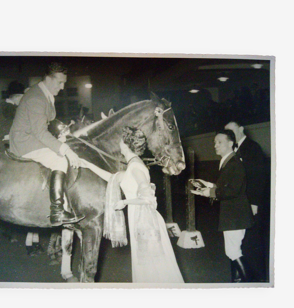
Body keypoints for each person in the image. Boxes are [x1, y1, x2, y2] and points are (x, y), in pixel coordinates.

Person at [80, 126, 184, 283]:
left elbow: (148, 198)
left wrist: (124, 202)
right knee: (148, 266)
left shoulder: (135, 167)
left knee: (152, 267)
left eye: (121, 140)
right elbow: (112, 178)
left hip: (146, 221)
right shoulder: (133, 165)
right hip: (140, 219)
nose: (119, 143)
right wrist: (87, 165)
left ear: (125, 143)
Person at [9, 62, 83, 226]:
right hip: (25, 142)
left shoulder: (44, 94)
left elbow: (45, 124)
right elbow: (40, 132)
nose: (63, 87)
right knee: (60, 159)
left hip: (32, 137)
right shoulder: (37, 97)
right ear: (48, 79)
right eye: (60, 82)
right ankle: (57, 211)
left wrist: (60, 135)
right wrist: (66, 150)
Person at [191, 130, 254, 282]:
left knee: (233, 252)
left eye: (219, 142)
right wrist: (209, 185)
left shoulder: (235, 163)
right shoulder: (227, 162)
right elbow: (226, 186)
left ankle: (251, 284)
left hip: (235, 216)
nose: (215, 145)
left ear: (230, 143)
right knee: (233, 251)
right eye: (215, 142)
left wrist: (209, 192)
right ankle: (238, 283)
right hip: (233, 216)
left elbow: (233, 190)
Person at [225, 120, 268, 282]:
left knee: (251, 245)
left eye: (232, 131)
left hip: (250, 204)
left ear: (242, 129)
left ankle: (257, 281)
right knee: (237, 245)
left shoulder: (252, 148)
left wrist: (254, 203)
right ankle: (238, 280)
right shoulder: (232, 149)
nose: (230, 135)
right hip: (238, 205)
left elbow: (259, 177)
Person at [0, 81, 25, 151]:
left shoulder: (7, 105)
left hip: (11, 135)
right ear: (17, 96)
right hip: (8, 137)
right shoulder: (8, 106)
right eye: (22, 98)